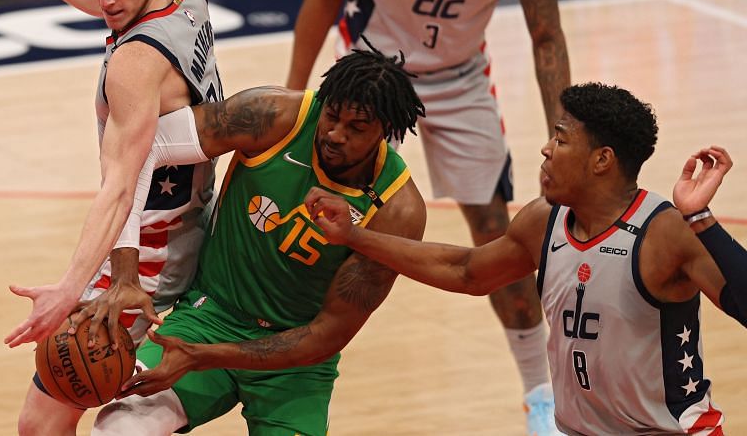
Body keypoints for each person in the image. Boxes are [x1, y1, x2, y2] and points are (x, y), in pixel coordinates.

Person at [306, 82, 747, 434]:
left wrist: (699, 217)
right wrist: (356, 236)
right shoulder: (545, 221)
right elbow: (466, 271)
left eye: (561, 138)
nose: (546, 149)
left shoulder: (662, 232)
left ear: (602, 160)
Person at [286, 0, 570, 432]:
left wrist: (564, 133)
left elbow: (547, 35)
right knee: (311, 214)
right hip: (372, 77)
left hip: (461, 79)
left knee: (497, 236)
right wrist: (296, 98)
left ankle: (540, 395)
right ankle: (279, 343)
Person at [83, 43, 428, 435]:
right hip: (210, 315)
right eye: (331, 115)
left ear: (386, 131)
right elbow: (140, 143)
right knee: (119, 427)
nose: (335, 133)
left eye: (356, 128)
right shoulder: (274, 115)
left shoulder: (397, 212)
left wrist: (204, 357)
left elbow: (326, 335)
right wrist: (125, 269)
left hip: (296, 359)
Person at [0, 0, 223, 435]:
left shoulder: (135, 65)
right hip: (193, 226)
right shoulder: (185, 1)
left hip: (146, 261)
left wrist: (69, 288)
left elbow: (119, 190)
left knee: (45, 424)